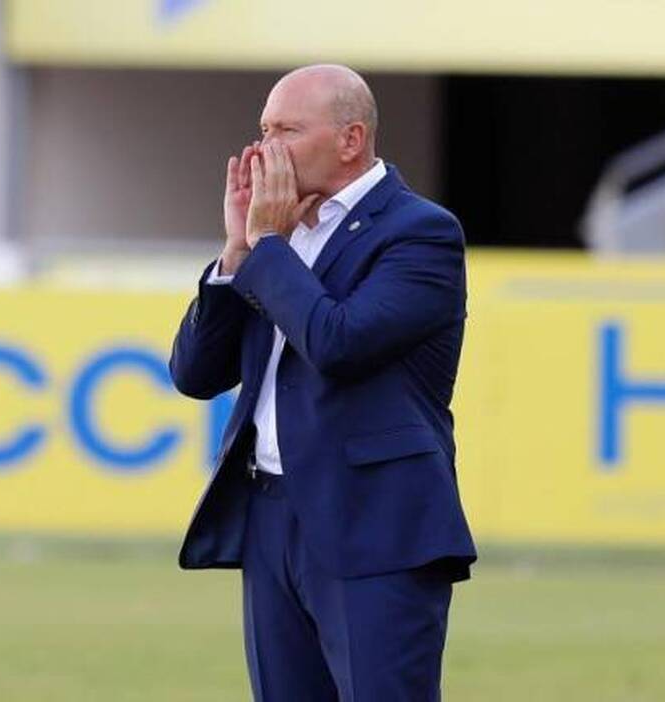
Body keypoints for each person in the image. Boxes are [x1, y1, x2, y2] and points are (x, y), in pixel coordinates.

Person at [170, 64, 477, 701]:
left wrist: (268, 247)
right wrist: (236, 253)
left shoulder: (420, 232)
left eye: (286, 131)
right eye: (263, 130)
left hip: (376, 523)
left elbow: (339, 343)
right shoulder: (275, 237)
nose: (264, 149)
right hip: (271, 517)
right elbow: (196, 374)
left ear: (350, 139)